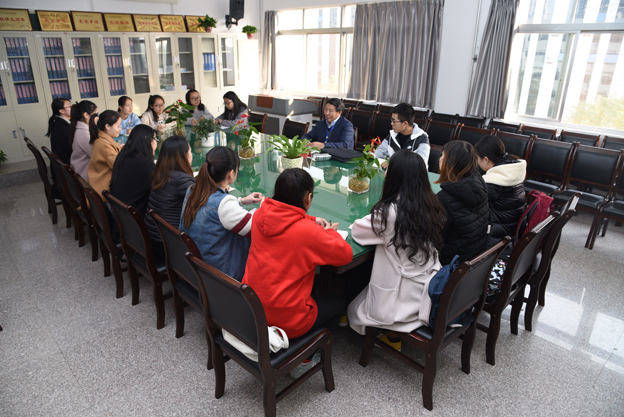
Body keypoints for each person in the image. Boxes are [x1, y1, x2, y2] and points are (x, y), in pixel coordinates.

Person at [242, 168, 352, 377]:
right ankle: (304, 358)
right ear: (308, 198)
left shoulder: (260, 214)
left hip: (253, 307)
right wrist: (330, 232)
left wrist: (311, 219)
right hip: (287, 318)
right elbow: (345, 255)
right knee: (338, 304)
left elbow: (286, 217)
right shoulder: (308, 233)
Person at [347, 150, 446, 351]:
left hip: (400, 301)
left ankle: (390, 333)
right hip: (426, 287)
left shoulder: (388, 212)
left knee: (353, 311)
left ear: (394, 176)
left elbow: (357, 231)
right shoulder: (431, 202)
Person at [180, 146, 263, 281]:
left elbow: (213, 207)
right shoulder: (224, 205)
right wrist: (264, 206)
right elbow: (256, 227)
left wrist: (241, 201)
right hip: (219, 276)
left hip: (194, 266)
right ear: (231, 173)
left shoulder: (192, 189)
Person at [435, 141, 489, 265]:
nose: (440, 159)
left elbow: (434, 240)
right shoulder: (480, 184)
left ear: (451, 163)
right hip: (475, 259)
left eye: (443, 155)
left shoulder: (444, 199)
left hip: (452, 264)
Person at [144, 135, 195, 256]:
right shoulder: (181, 179)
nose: (191, 154)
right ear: (183, 156)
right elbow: (207, 202)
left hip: (153, 237)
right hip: (168, 245)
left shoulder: (161, 173)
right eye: (190, 151)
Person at [475, 135, 527, 248]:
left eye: (477, 158)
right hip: (512, 232)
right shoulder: (512, 171)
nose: (477, 162)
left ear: (486, 159)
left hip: (496, 239)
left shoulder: (492, 183)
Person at [109, 125, 157, 217]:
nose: (156, 144)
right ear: (147, 140)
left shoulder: (123, 157)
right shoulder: (146, 165)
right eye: (155, 139)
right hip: (134, 218)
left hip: (118, 213)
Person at [374, 103, 430, 170]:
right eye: (391, 120)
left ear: (405, 123)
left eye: (394, 121)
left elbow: (421, 164)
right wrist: (370, 156)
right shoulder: (392, 135)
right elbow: (379, 151)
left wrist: (394, 163)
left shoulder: (422, 139)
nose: (391, 123)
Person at [87, 110, 122, 199]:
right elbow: (118, 165)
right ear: (107, 126)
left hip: (97, 183)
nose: (120, 129)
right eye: (118, 126)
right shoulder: (105, 144)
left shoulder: (101, 138)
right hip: (103, 190)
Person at [70, 100, 97, 180]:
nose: (97, 118)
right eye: (96, 114)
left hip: (82, 170)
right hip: (85, 175)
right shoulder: (84, 133)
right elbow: (96, 156)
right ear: (86, 115)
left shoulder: (80, 128)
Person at [46, 97, 73, 165]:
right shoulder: (61, 127)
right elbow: (72, 148)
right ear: (61, 111)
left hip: (64, 162)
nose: (73, 108)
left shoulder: (60, 122)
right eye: (70, 106)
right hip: (67, 163)